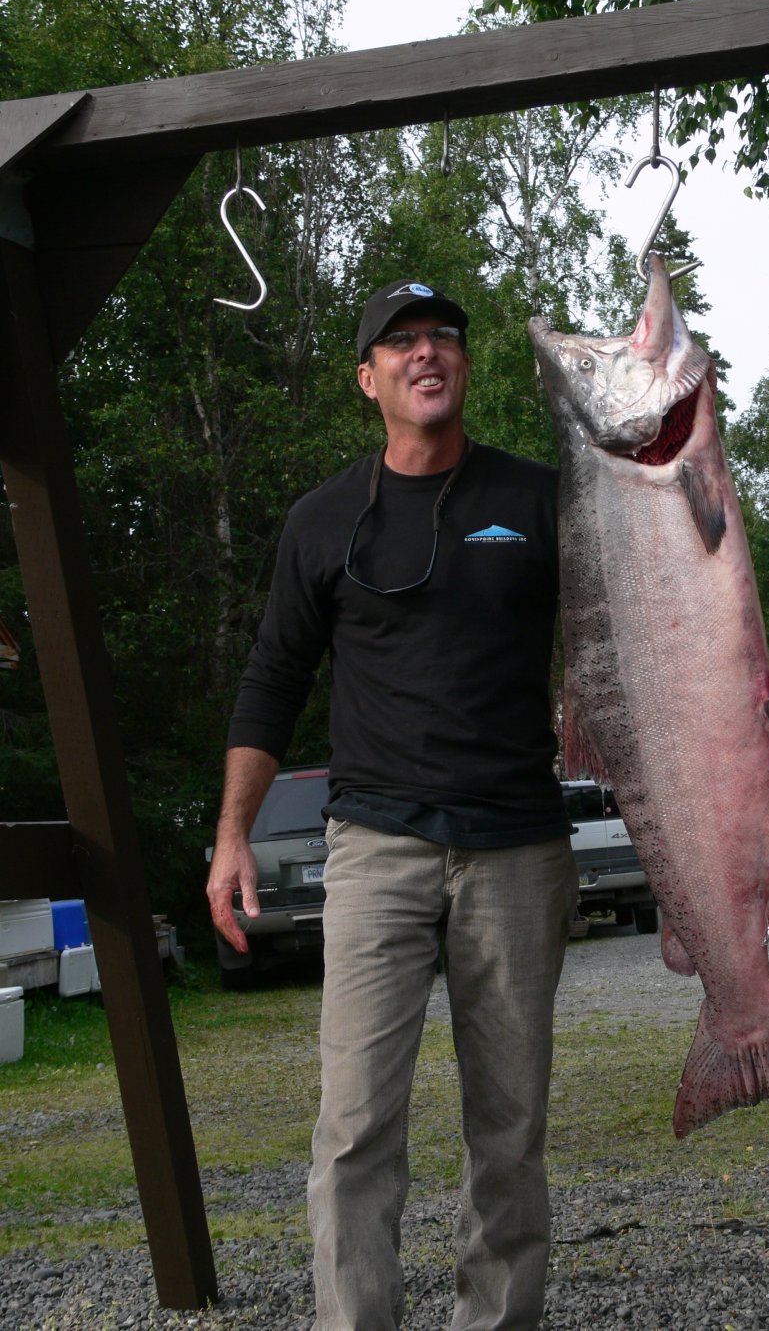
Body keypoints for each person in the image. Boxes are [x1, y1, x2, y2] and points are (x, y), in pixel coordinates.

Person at [206, 276, 578, 1331]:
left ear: (466, 367)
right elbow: (271, 681)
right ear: (367, 377)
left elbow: (634, 634)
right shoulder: (322, 519)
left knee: (508, 1130)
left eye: (445, 338)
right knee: (355, 1124)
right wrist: (234, 835)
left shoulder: (541, 498)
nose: (427, 353)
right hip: (375, 848)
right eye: (402, 342)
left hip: (515, 848)